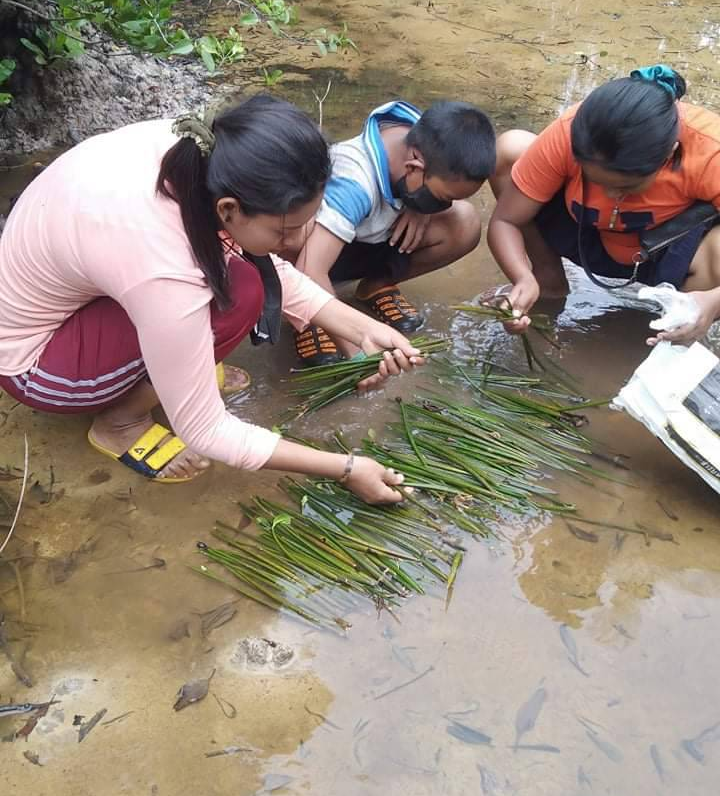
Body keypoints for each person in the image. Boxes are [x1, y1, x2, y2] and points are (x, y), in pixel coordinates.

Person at [0, 94, 424, 503]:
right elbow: (205, 430)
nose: (296, 242)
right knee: (236, 294)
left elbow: (269, 267)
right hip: (36, 367)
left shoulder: (201, 148)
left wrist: (366, 329)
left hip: (86, 295)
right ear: (227, 209)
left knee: (242, 279)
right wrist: (347, 468)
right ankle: (120, 422)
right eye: (284, 231)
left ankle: (173, 369)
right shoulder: (163, 267)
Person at [488, 65, 720, 345]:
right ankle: (548, 280)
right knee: (512, 148)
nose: (610, 195)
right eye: (594, 180)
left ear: (668, 156)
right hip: (584, 235)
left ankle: (675, 320)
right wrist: (523, 277)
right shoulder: (571, 132)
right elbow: (506, 220)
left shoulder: (710, 151)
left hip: (662, 253)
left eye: (626, 187)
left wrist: (713, 301)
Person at [289, 99, 495, 365]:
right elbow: (311, 268)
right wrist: (356, 351)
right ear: (413, 166)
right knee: (298, 230)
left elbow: (438, 191)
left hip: (375, 237)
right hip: (318, 254)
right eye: (440, 198)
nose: (441, 206)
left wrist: (422, 207)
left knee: (464, 222)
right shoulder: (354, 182)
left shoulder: (428, 138)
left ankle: (376, 285)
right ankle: (307, 317)